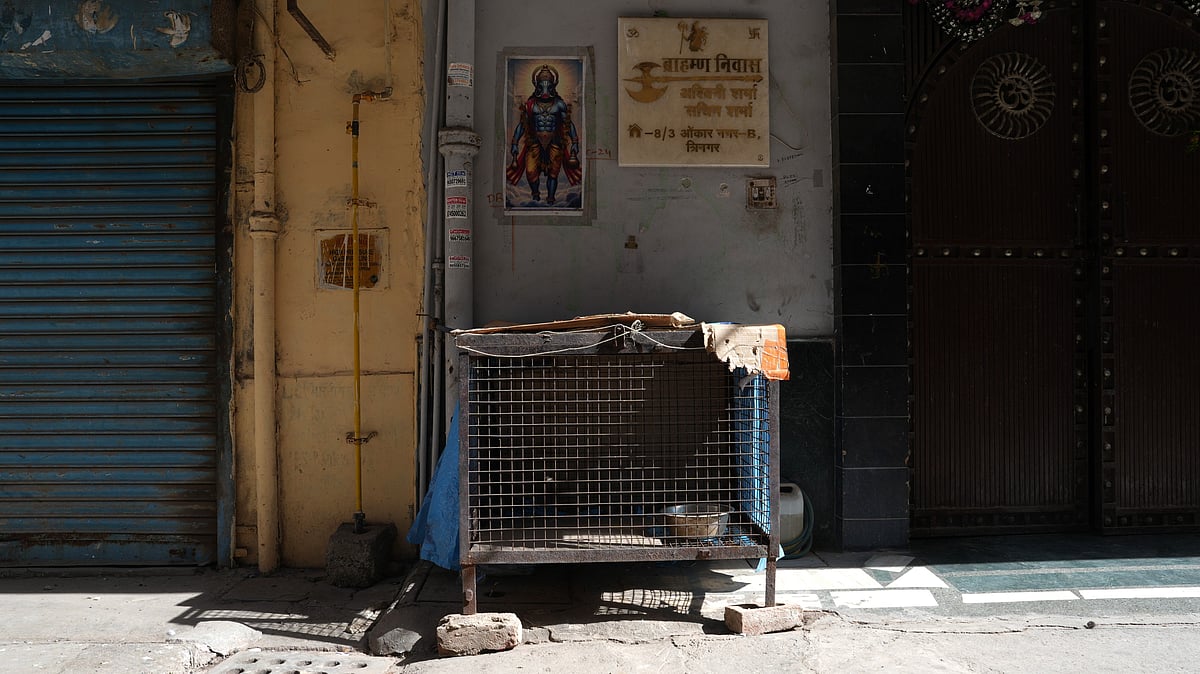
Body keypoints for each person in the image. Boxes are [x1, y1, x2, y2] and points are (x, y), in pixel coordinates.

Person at [507, 64, 581, 206]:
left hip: (554, 142)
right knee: (530, 171)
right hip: (534, 142)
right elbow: (522, 125)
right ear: (537, 85)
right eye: (542, 85)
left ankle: (551, 199)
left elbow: (568, 124)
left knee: (553, 173)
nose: (545, 88)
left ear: (554, 85)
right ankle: (535, 194)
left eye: (548, 84)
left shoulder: (559, 104)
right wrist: (515, 143)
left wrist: (575, 143)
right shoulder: (530, 104)